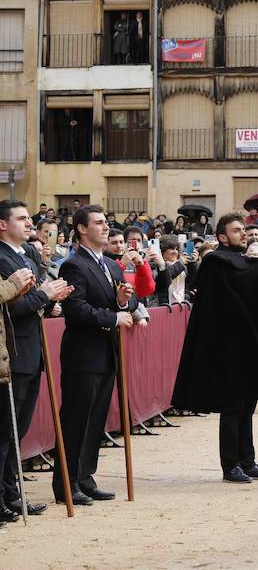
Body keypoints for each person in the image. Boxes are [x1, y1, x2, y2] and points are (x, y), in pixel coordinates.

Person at [172, 213, 258, 484]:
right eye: (237, 230)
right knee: (233, 407)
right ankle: (230, 466)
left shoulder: (243, 260)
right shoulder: (216, 261)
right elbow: (243, 285)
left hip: (249, 344)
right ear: (221, 237)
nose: (244, 234)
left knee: (248, 405)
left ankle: (247, 460)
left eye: (244, 229)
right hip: (227, 348)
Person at [54, 205, 145, 505]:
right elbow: (76, 309)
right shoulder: (73, 265)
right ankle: (66, 482)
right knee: (77, 418)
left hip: (107, 353)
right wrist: (112, 318)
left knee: (96, 420)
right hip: (83, 353)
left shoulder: (112, 265)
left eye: (106, 223)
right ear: (82, 229)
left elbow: (129, 305)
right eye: (99, 223)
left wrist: (121, 304)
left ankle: (85, 476)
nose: (106, 228)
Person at [0, 200, 71, 519]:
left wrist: (49, 301)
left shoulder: (28, 253)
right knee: (5, 430)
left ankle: (12, 494)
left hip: (32, 351)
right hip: (11, 354)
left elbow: (32, 300)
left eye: (30, 218)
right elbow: (9, 308)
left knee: (18, 431)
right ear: (3, 224)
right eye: (22, 218)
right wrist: (44, 296)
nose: (30, 223)